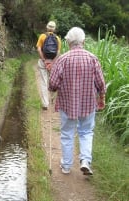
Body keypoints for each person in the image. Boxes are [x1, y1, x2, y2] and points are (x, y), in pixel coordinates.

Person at [48, 27, 106, 175]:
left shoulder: (62, 59)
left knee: (67, 133)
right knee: (86, 132)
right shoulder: (92, 58)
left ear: (68, 42)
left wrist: (53, 90)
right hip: (88, 104)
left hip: (67, 105)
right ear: (83, 41)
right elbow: (101, 83)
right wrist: (102, 99)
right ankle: (85, 161)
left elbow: (53, 84)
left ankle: (66, 166)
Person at [36, 21, 61, 110]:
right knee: (53, 81)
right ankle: (53, 100)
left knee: (43, 81)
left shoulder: (42, 36)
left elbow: (39, 49)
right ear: (54, 29)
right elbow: (58, 52)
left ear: (47, 27)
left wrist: (44, 60)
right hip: (53, 63)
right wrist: (52, 62)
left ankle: (45, 104)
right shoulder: (57, 38)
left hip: (43, 61)